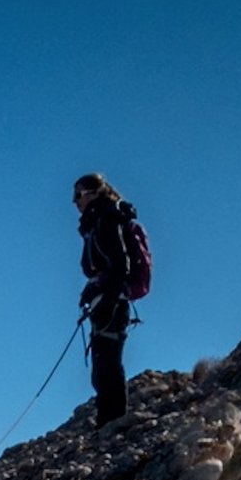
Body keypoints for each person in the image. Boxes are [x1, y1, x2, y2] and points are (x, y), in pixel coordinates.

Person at [74, 172, 135, 428]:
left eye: (78, 195)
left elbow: (121, 264)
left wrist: (105, 291)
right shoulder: (97, 222)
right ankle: (109, 419)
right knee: (104, 361)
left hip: (111, 300)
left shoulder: (107, 218)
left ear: (93, 194)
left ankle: (114, 420)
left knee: (107, 361)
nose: (75, 202)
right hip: (105, 299)